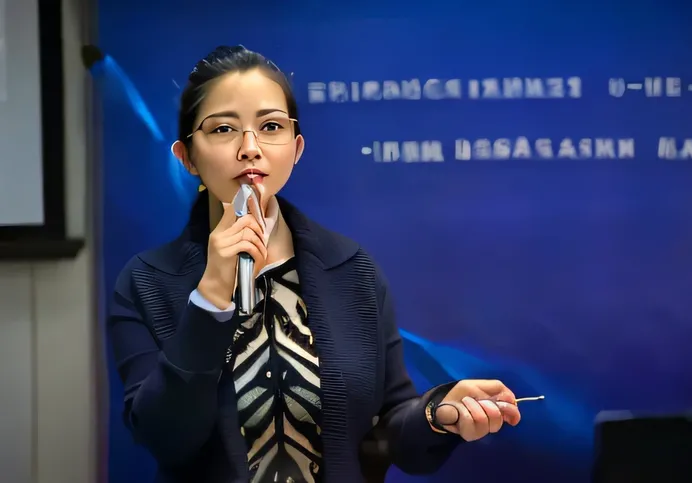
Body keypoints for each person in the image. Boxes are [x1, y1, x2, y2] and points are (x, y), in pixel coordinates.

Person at [108, 45, 522, 483]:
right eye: (224, 129)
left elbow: (388, 430)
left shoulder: (351, 270)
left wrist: (439, 413)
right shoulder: (146, 282)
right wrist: (211, 298)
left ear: (296, 147)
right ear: (186, 156)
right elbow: (163, 437)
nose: (250, 149)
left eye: (270, 127)